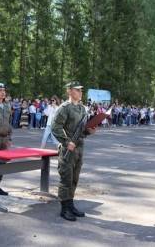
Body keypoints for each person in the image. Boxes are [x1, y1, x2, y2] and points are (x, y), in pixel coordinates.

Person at [51, 81, 96, 221]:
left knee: (74, 178)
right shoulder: (64, 108)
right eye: (77, 90)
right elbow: (55, 126)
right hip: (68, 148)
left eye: (81, 90)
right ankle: (64, 208)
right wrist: (66, 141)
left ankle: (70, 204)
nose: (80, 92)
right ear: (69, 91)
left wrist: (89, 130)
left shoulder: (82, 109)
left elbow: (82, 129)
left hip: (79, 147)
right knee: (66, 178)